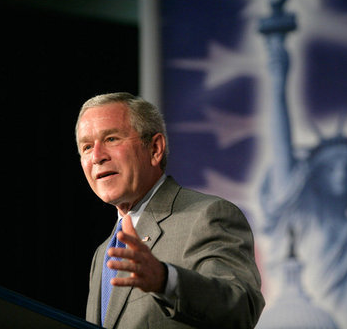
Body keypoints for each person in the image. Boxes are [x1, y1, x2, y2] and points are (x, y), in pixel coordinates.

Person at [76, 92, 264, 329]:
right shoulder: (103, 252)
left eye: (112, 139)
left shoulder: (207, 216)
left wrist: (166, 280)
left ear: (155, 148)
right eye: (86, 147)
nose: (97, 157)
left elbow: (241, 307)